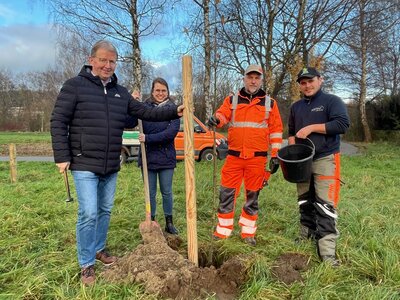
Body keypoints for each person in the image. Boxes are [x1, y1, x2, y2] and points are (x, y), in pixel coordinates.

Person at [50, 40, 183, 285]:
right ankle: (86, 263)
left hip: (111, 162)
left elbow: (146, 112)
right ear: (92, 60)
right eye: (103, 60)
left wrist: (174, 112)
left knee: (105, 210)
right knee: (88, 213)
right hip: (83, 162)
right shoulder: (74, 87)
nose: (108, 65)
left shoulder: (120, 93)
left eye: (112, 61)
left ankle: (99, 250)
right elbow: (58, 121)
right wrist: (62, 156)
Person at [207, 64, 283, 246]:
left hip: (257, 159)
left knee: (252, 196)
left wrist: (276, 155)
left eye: (257, 77)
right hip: (234, 157)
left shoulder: (270, 103)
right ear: (244, 78)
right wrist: (216, 119)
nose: (253, 81)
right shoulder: (232, 100)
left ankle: (248, 233)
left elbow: (276, 131)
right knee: (226, 193)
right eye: (250, 77)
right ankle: (223, 231)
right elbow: (223, 115)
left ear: (261, 80)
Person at [288, 67, 350, 266]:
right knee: (304, 200)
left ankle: (327, 252)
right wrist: (291, 154)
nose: (307, 85)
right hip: (302, 161)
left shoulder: (332, 101)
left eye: (310, 81)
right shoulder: (296, 107)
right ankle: (306, 233)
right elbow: (291, 132)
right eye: (303, 82)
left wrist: (312, 128)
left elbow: (342, 125)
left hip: (325, 158)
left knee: (325, 204)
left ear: (320, 80)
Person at [128, 78, 181, 234]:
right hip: (148, 157)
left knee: (166, 191)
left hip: (166, 158)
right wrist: (132, 103)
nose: (160, 93)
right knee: (150, 192)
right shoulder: (143, 108)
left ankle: (169, 223)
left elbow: (170, 133)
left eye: (163, 90)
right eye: (157, 90)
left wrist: (148, 138)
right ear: (152, 91)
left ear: (168, 92)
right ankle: (152, 222)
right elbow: (129, 121)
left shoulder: (174, 109)